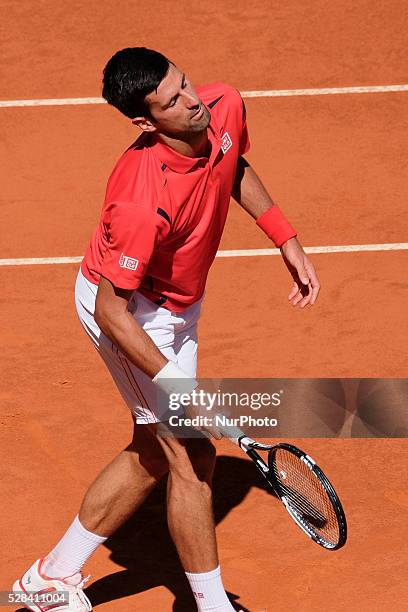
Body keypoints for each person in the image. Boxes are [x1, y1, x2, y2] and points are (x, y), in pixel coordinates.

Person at [13, 47, 320, 611]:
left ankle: (51, 578)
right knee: (188, 454)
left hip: (180, 304)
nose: (193, 102)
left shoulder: (222, 104)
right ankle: (211, 606)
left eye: (186, 84)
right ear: (145, 122)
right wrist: (181, 387)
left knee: (155, 450)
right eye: (173, 102)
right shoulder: (139, 197)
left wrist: (285, 235)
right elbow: (111, 310)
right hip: (131, 314)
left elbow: (232, 164)